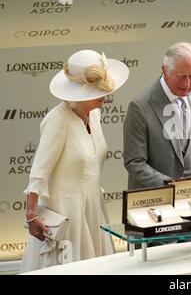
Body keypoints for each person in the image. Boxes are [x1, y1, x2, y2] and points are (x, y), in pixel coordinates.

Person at [20, 49, 129, 272]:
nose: (105, 96)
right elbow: (39, 173)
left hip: (94, 210)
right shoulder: (57, 120)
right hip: (66, 214)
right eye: (98, 91)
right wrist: (31, 216)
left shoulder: (95, 115)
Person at [123, 42, 191, 189]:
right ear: (165, 70)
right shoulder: (140, 106)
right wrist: (172, 187)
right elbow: (135, 163)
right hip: (158, 198)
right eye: (181, 77)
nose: (187, 84)